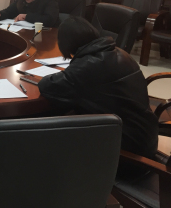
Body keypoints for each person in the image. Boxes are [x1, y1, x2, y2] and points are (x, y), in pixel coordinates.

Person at [38, 17, 158, 175]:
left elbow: (47, 86)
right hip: (145, 139)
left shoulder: (87, 66)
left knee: (48, 132)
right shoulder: (120, 53)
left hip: (126, 155)